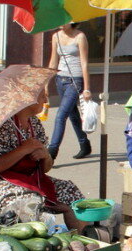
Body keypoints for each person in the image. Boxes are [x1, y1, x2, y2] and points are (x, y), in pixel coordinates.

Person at [0, 88, 90, 231]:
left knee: (70, 191)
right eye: (42, 96)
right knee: (27, 200)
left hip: (28, 178)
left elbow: (45, 168)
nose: (45, 101)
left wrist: (45, 155)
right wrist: (23, 149)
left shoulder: (35, 124)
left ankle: (82, 244)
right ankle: (34, 247)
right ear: (27, 99)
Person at [46, 23, 92, 161]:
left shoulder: (80, 36)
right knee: (73, 114)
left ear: (71, 21)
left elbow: (84, 63)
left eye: (63, 19)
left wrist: (87, 88)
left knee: (61, 115)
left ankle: (51, 153)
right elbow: (53, 61)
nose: (59, 22)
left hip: (75, 80)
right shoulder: (56, 36)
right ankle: (85, 145)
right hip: (60, 80)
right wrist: (45, 84)